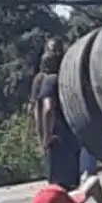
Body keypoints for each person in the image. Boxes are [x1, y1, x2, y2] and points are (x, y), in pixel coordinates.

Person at [35, 48, 80, 191]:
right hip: (72, 133)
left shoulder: (50, 81)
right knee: (72, 181)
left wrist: (46, 136)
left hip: (58, 136)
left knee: (58, 182)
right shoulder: (66, 80)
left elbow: (48, 108)